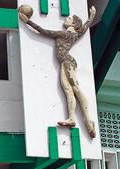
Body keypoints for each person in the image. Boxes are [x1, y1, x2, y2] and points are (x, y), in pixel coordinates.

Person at [19, 6, 96, 139]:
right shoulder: (74, 34)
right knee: (68, 90)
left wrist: (28, 22)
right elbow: (85, 27)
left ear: (73, 24)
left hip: (67, 62)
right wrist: (92, 15)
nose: (67, 19)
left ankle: (88, 120)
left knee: (75, 88)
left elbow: (44, 31)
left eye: (70, 18)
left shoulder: (64, 34)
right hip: (65, 63)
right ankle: (72, 118)